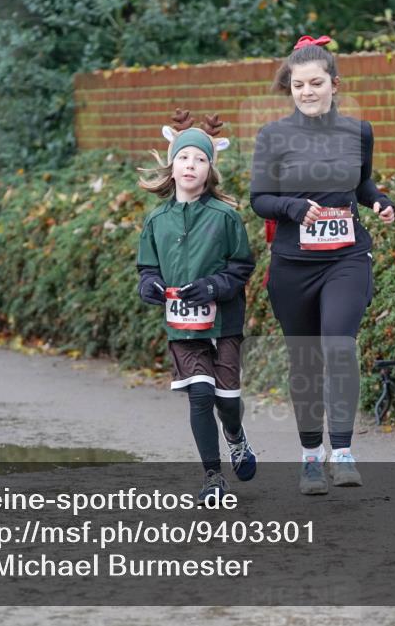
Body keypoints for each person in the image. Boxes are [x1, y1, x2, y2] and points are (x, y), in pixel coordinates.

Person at [250, 35, 395, 495]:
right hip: (294, 265)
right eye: (298, 85)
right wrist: (294, 209)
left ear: (334, 83)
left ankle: (344, 452)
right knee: (306, 359)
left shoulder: (359, 131)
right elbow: (260, 200)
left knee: (337, 344)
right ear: (289, 88)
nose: (308, 92)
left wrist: (380, 202)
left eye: (316, 83)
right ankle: (311, 457)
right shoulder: (273, 136)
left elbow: (363, 185)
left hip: (347, 259)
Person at [137, 109, 257, 502]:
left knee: (226, 399)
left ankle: (236, 436)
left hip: (223, 320)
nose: (191, 165)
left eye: (201, 159)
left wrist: (211, 286)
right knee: (201, 394)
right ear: (172, 166)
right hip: (182, 326)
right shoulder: (157, 220)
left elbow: (242, 267)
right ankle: (212, 477)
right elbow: (146, 268)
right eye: (185, 157)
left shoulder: (226, 218)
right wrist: (151, 286)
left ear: (210, 170)